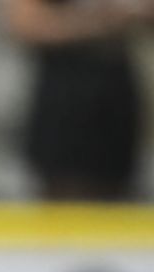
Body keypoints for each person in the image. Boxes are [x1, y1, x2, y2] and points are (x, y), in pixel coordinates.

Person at [8, 0, 150, 201]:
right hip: (66, 89)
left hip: (117, 87)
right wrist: (99, 22)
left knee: (116, 198)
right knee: (65, 197)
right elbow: (22, 23)